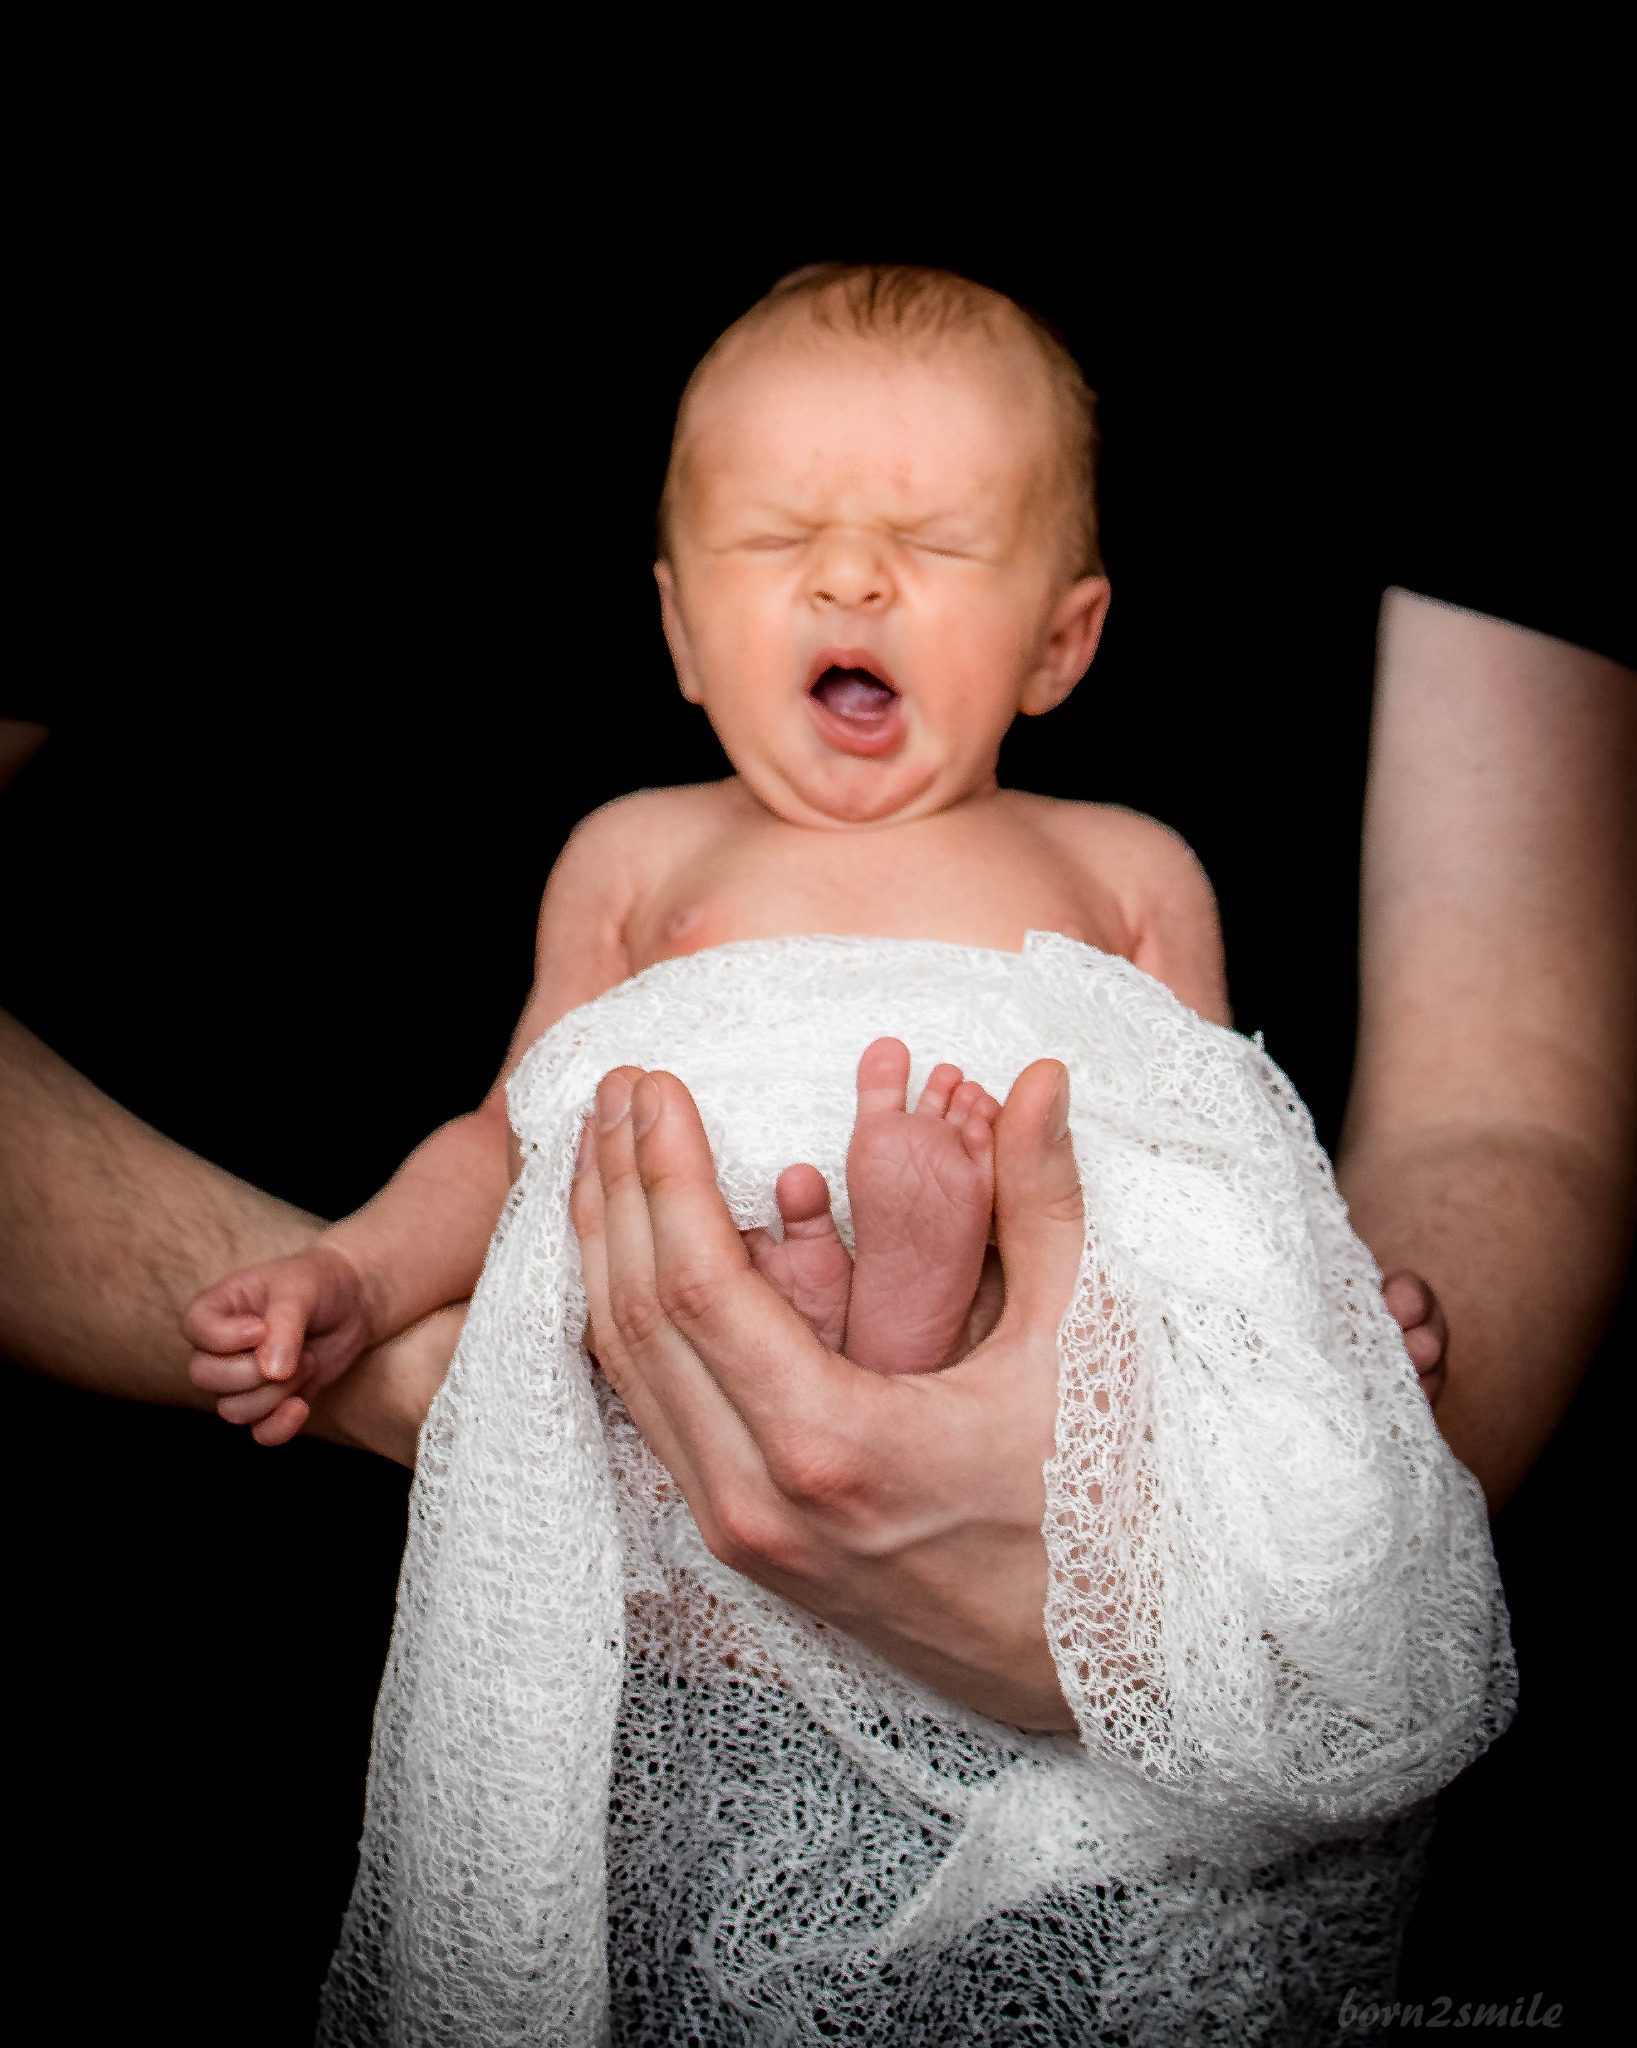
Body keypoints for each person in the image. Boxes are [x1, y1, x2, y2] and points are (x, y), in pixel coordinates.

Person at [3, 243, 1629, 2038]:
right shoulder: (638, 854)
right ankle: (835, 1292)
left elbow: (1224, 1152)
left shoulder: (1122, 864)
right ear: (685, 633)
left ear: (1060, 642)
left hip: (1029, 1466)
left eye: (930, 550)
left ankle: (898, 1297)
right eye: (780, 545)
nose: (849, 573)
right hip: (677, 1396)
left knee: (1080, 1212)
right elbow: (509, 1135)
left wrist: (1325, 1321)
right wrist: (351, 1274)